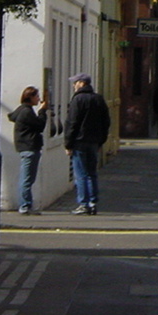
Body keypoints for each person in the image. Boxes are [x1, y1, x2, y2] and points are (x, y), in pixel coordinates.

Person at [64, 72, 110, 216]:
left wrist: (68, 143)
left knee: (81, 174)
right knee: (92, 173)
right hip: (94, 141)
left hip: (79, 141)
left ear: (82, 83)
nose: (73, 85)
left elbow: (72, 123)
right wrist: (101, 140)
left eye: (75, 82)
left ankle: (83, 204)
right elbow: (106, 122)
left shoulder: (77, 100)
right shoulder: (99, 99)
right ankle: (93, 203)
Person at [8, 86, 49, 214]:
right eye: (36, 96)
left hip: (26, 147)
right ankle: (25, 206)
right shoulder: (27, 112)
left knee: (27, 178)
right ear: (30, 97)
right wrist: (42, 111)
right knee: (27, 179)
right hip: (29, 147)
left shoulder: (22, 110)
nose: (39, 99)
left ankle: (26, 205)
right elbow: (40, 125)